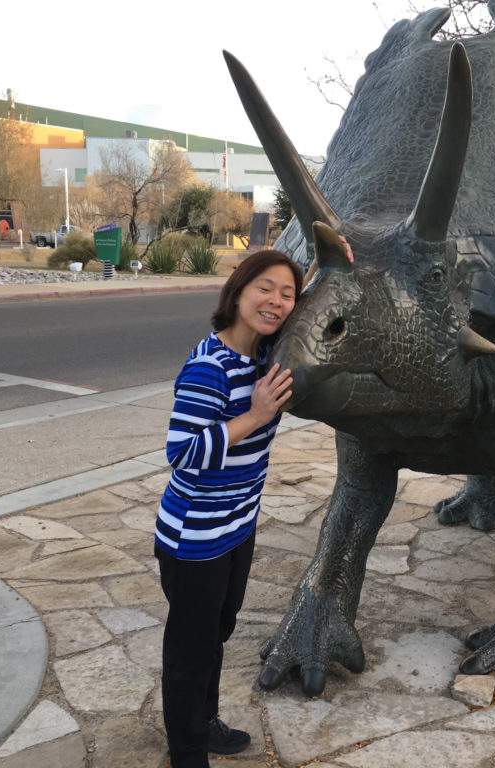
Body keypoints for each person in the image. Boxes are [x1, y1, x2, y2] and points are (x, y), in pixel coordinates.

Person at [154, 249, 302, 768]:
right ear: (238, 292)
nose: (276, 301)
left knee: (217, 633)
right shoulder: (209, 366)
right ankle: (187, 751)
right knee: (190, 651)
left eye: (287, 294)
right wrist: (256, 413)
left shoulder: (267, 361)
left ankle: (203, 722)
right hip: (194, 539)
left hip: (237, 527)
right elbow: (183, 454)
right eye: (265, 287)